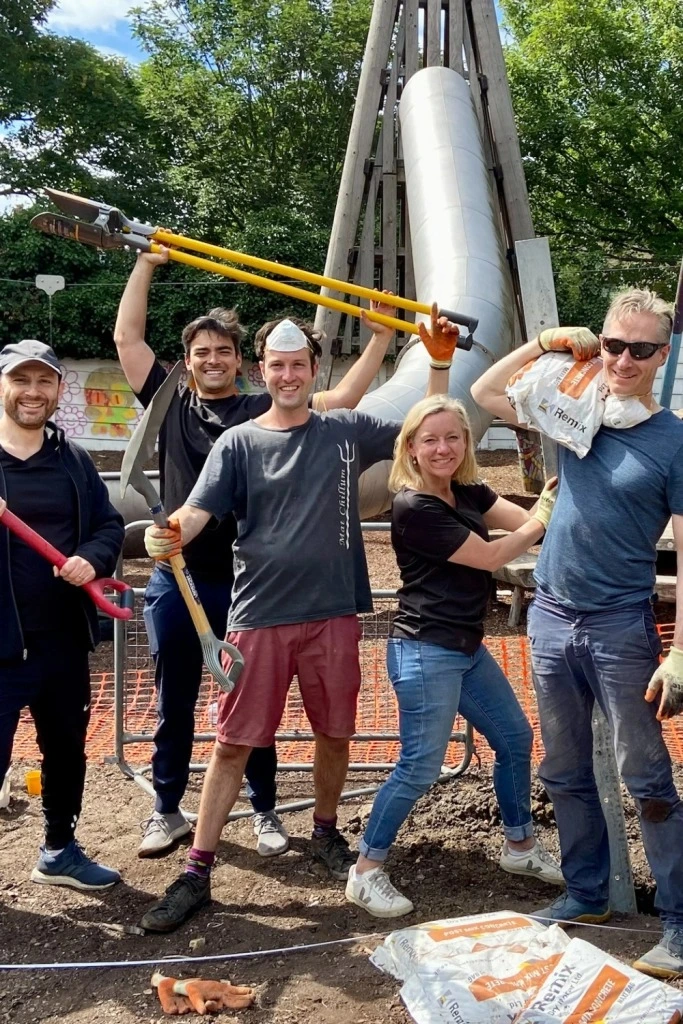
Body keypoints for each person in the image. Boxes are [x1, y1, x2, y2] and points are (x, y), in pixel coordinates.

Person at [137, 308, 459, 932]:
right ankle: (198, 869)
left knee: (334, 732)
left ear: (315, 370)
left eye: (298, 365)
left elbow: (425, 431)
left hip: (334, 614)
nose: (287, 375)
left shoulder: (345, 431)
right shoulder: (239, 441)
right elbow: (199, 508)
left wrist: (439, 363)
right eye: (277, 366)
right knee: (233, 743)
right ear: (263, 370)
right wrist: (172, 532)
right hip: (258, 615)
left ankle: (325, 832)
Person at [114, 250, 399, 858]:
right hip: (192, 579)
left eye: (224, 351)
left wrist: (381, 341)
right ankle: (167, 810)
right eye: (201, 353)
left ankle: (268, 812)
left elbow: (350, 397)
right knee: (184, 702)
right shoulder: (170, 405)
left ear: (244, 363)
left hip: (255, 586)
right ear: (187, 362)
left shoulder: (259, 409)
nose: (213, 360)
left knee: (260, 716)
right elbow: (125, 337)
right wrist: (147, 261)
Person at [471, 289, 683, 978]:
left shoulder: (672, 441)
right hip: (551, 616)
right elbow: (483, 390)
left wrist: (681, 650)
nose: (622, 360)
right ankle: (587, 894)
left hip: (620, 624)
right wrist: (543, 344)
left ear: (661, 355)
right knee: (562, 768)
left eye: (639, 349)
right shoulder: (575, 408)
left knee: (646, 774)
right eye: (612, 345)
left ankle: (677, 925)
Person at [344, 394, 562, 918]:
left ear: (466, 443)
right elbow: (490, 555)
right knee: (420, 767)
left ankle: (520, 847)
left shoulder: (467, 490)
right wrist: (543, 518)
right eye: (430, 440)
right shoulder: (412, 505)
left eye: (452, 437)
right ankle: (365, 870)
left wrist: (554, 498)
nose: (442, 448)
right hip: (424, 651)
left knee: (515, 738)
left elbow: (528, 519)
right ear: (412, 449)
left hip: (464, 648)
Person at [0, 340, 124, 891]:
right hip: (1, 646)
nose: (32, 392)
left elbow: (109, 525)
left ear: (56, 390)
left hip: (61, 642)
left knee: (66, 752)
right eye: (20, 381)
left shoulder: (71, 461)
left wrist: (90, 560)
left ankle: (59, 851)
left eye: (43, 382)